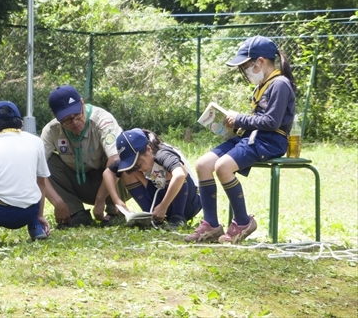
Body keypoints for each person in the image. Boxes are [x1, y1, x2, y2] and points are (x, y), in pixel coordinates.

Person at [186, 36, 296, 244]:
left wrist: (241, 119)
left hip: (270, 141)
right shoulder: (262, 85)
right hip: (251, 137)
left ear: (260, 62)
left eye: (246, 66)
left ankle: (243, 222)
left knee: (223, 167)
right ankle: (211, 225)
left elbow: (272, 122)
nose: (244, 71)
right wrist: (233, 123)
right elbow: (258, 120)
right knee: (202, 164)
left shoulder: (280, 84)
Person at [40, 85, 129, 228]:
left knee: (119, 158)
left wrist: (100, 201)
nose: (74, 122)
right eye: (67, 120)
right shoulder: (51, 130)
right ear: (56, 117)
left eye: (77, 115)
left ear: (82, 103)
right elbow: (37, 168)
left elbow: (115, 160)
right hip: (80, 183)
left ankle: (115, 211)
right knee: (46, 162)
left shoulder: (102, 120)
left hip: (111, 183)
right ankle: (75, 213)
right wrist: (58, 202)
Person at [0, 100, 51, 249]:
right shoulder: (36, 142)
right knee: (31, 186)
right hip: (29, 210)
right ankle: (35, 226)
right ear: (21, 125)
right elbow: (41, 182)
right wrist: (39, 215)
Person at [104, 128, 202, 229]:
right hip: (161, 195)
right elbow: (107, 173)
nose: (139, 169)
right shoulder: (143, 158)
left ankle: (178, 218)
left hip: (188, 202)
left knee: (174, 171)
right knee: (127, 172)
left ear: (149, 149)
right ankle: (151, 218)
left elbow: (180, 175)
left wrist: (163, 205)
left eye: (138, 164)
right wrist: (117, 201)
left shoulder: (163, 154)